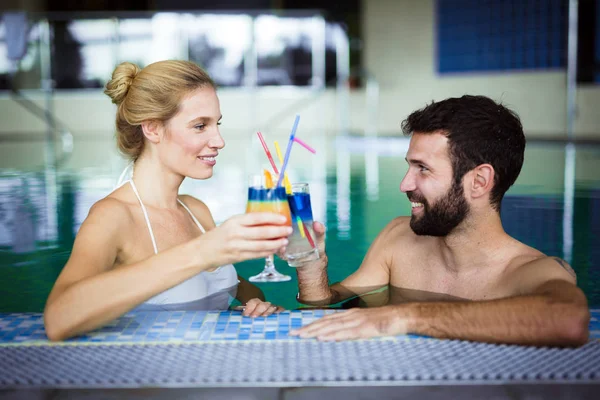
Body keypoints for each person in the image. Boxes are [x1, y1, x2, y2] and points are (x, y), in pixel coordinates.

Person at [289, 95, 590, 347]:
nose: (405, 184)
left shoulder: (529, 272)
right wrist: (311, 267)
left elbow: (570, 320)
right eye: (410, 166)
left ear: (479, 181)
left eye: (423, 169)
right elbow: (323, 308)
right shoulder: (398, 238)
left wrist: (405, 316)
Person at [44, 61, 292, 341]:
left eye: (217, 124)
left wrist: (254, 306)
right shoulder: (112, 216)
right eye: (200, 126)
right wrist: (201, 252)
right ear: (152, 129)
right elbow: (57, 319)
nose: (219, 141)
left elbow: (238, 290)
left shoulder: (195, 210)